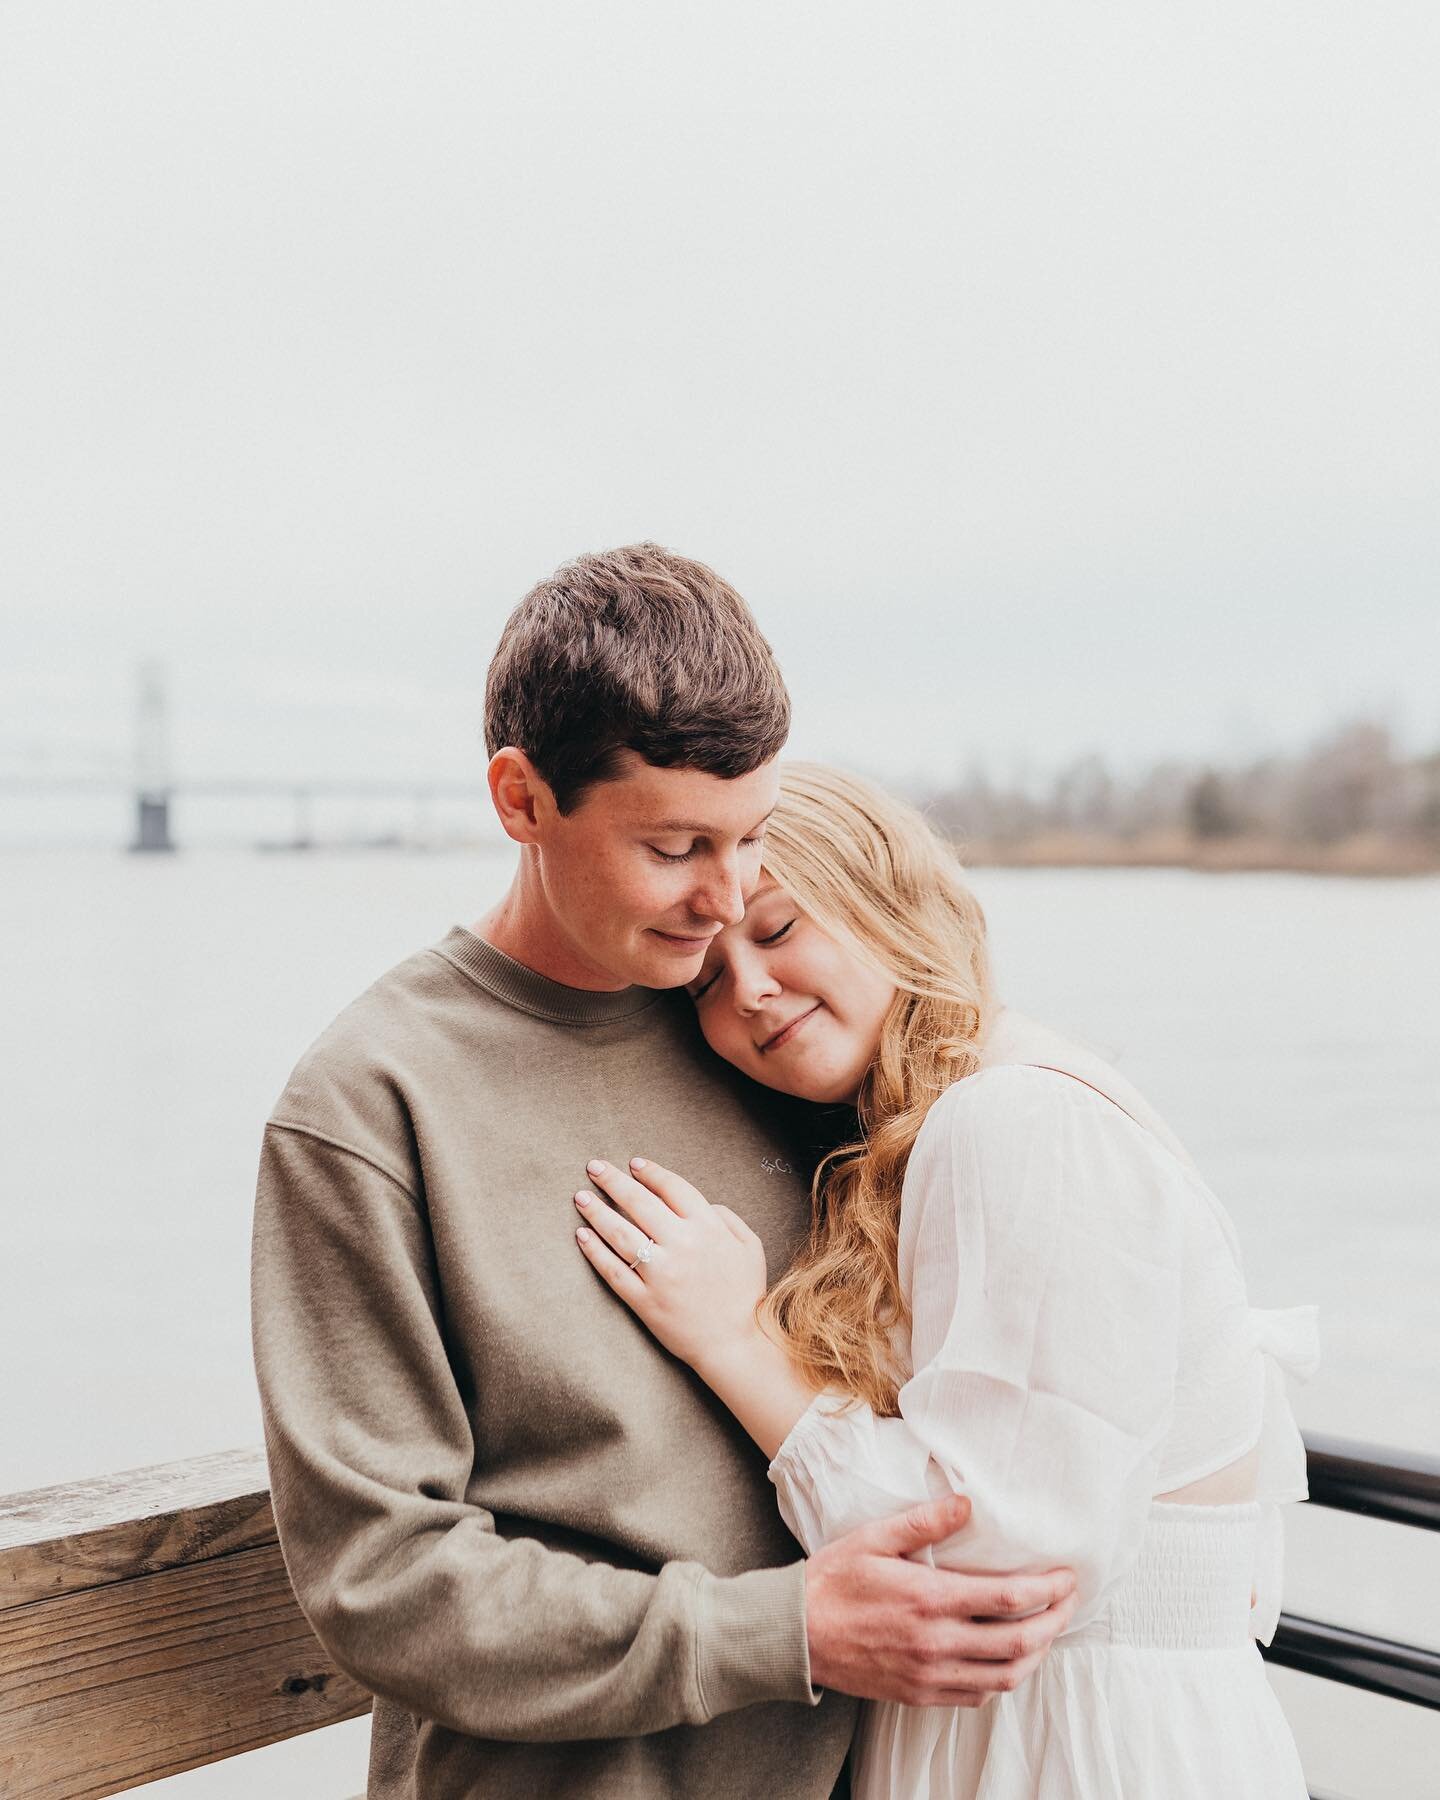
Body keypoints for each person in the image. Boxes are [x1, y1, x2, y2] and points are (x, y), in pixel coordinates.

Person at [249, 546, 1078, 1800]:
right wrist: (783, 1632)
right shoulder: (371, 1103)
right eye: (679, 846)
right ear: (521, 801)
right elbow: (385, 1578)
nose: (725, 900)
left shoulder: (761, 1037)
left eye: (749, 839)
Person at [572, 761, 1320, 1799]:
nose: (747, 988)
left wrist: (733, 1343)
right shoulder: (940, 1126)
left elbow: (996, 1564)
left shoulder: (1011, 1118)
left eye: (780, 929)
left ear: (882, 902)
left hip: (1079, 1750)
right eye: (705, 979)